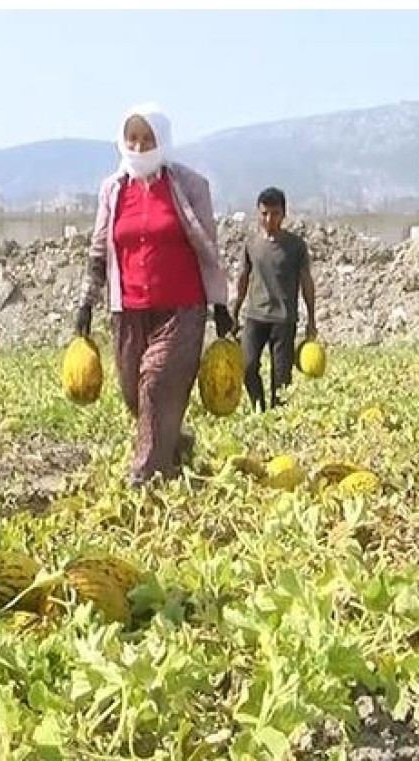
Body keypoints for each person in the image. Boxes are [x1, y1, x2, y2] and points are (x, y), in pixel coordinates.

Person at [73, 103, 235, 488]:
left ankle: (146, 475)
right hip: (127, 308)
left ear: (162, 142)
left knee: (156, 383)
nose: (140, 146)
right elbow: (99, 249)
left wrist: (221, 304)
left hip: (182, 308)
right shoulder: (113, 190)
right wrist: (85, 302)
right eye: (133, 138)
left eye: (148, 139)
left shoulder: (190, 186)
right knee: (135, 394)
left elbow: (208, 247)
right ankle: (175, 443)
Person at [231, 187, 318, 411]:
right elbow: (243, 278)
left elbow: (306, 282)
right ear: (258, 213)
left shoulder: (295, 246)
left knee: (281, 377)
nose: (269, 219)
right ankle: (258, 408)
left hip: (283, 319)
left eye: (275, 213)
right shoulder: (251, 245)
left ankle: (278, 421)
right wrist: (235, 310)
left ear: (283, 214)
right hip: (255, 316)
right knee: (247, 366)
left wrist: (311, 319)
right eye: (264, 214)